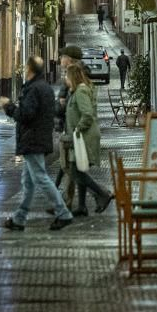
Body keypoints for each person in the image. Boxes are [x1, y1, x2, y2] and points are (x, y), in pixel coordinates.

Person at [0, 55, 73, 231]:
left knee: (40, 177)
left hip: (32, 139)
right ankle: (19, 218)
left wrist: (8, 106)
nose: (24, 70)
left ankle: (63, 213)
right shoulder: (45, 87)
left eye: (26, 67)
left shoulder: (33, 89)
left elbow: (25, 115)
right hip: (38, 138)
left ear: (30, 69)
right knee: (28, 181)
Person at [63, 63, 114, 216]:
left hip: (84, 137)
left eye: (66, 76)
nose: (65, 79)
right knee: (79, 169)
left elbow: (87, 114)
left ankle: (102, 194)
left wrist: (78, 129)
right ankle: (82, 206)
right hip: (81, 137)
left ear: (72, 77)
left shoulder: (80, 92)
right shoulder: (76, 91)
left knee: (75, 172)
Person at [53, 45, 83, 211]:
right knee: (69, 167)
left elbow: (80, 108)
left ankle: (101, 194)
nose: (60, 59)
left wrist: (61, 104)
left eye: (62, 56)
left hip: (73, 130)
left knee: (71, 168)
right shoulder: (70, 75)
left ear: (69, 59)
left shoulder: (75, 76)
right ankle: (66, 202)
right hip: (69, 128)